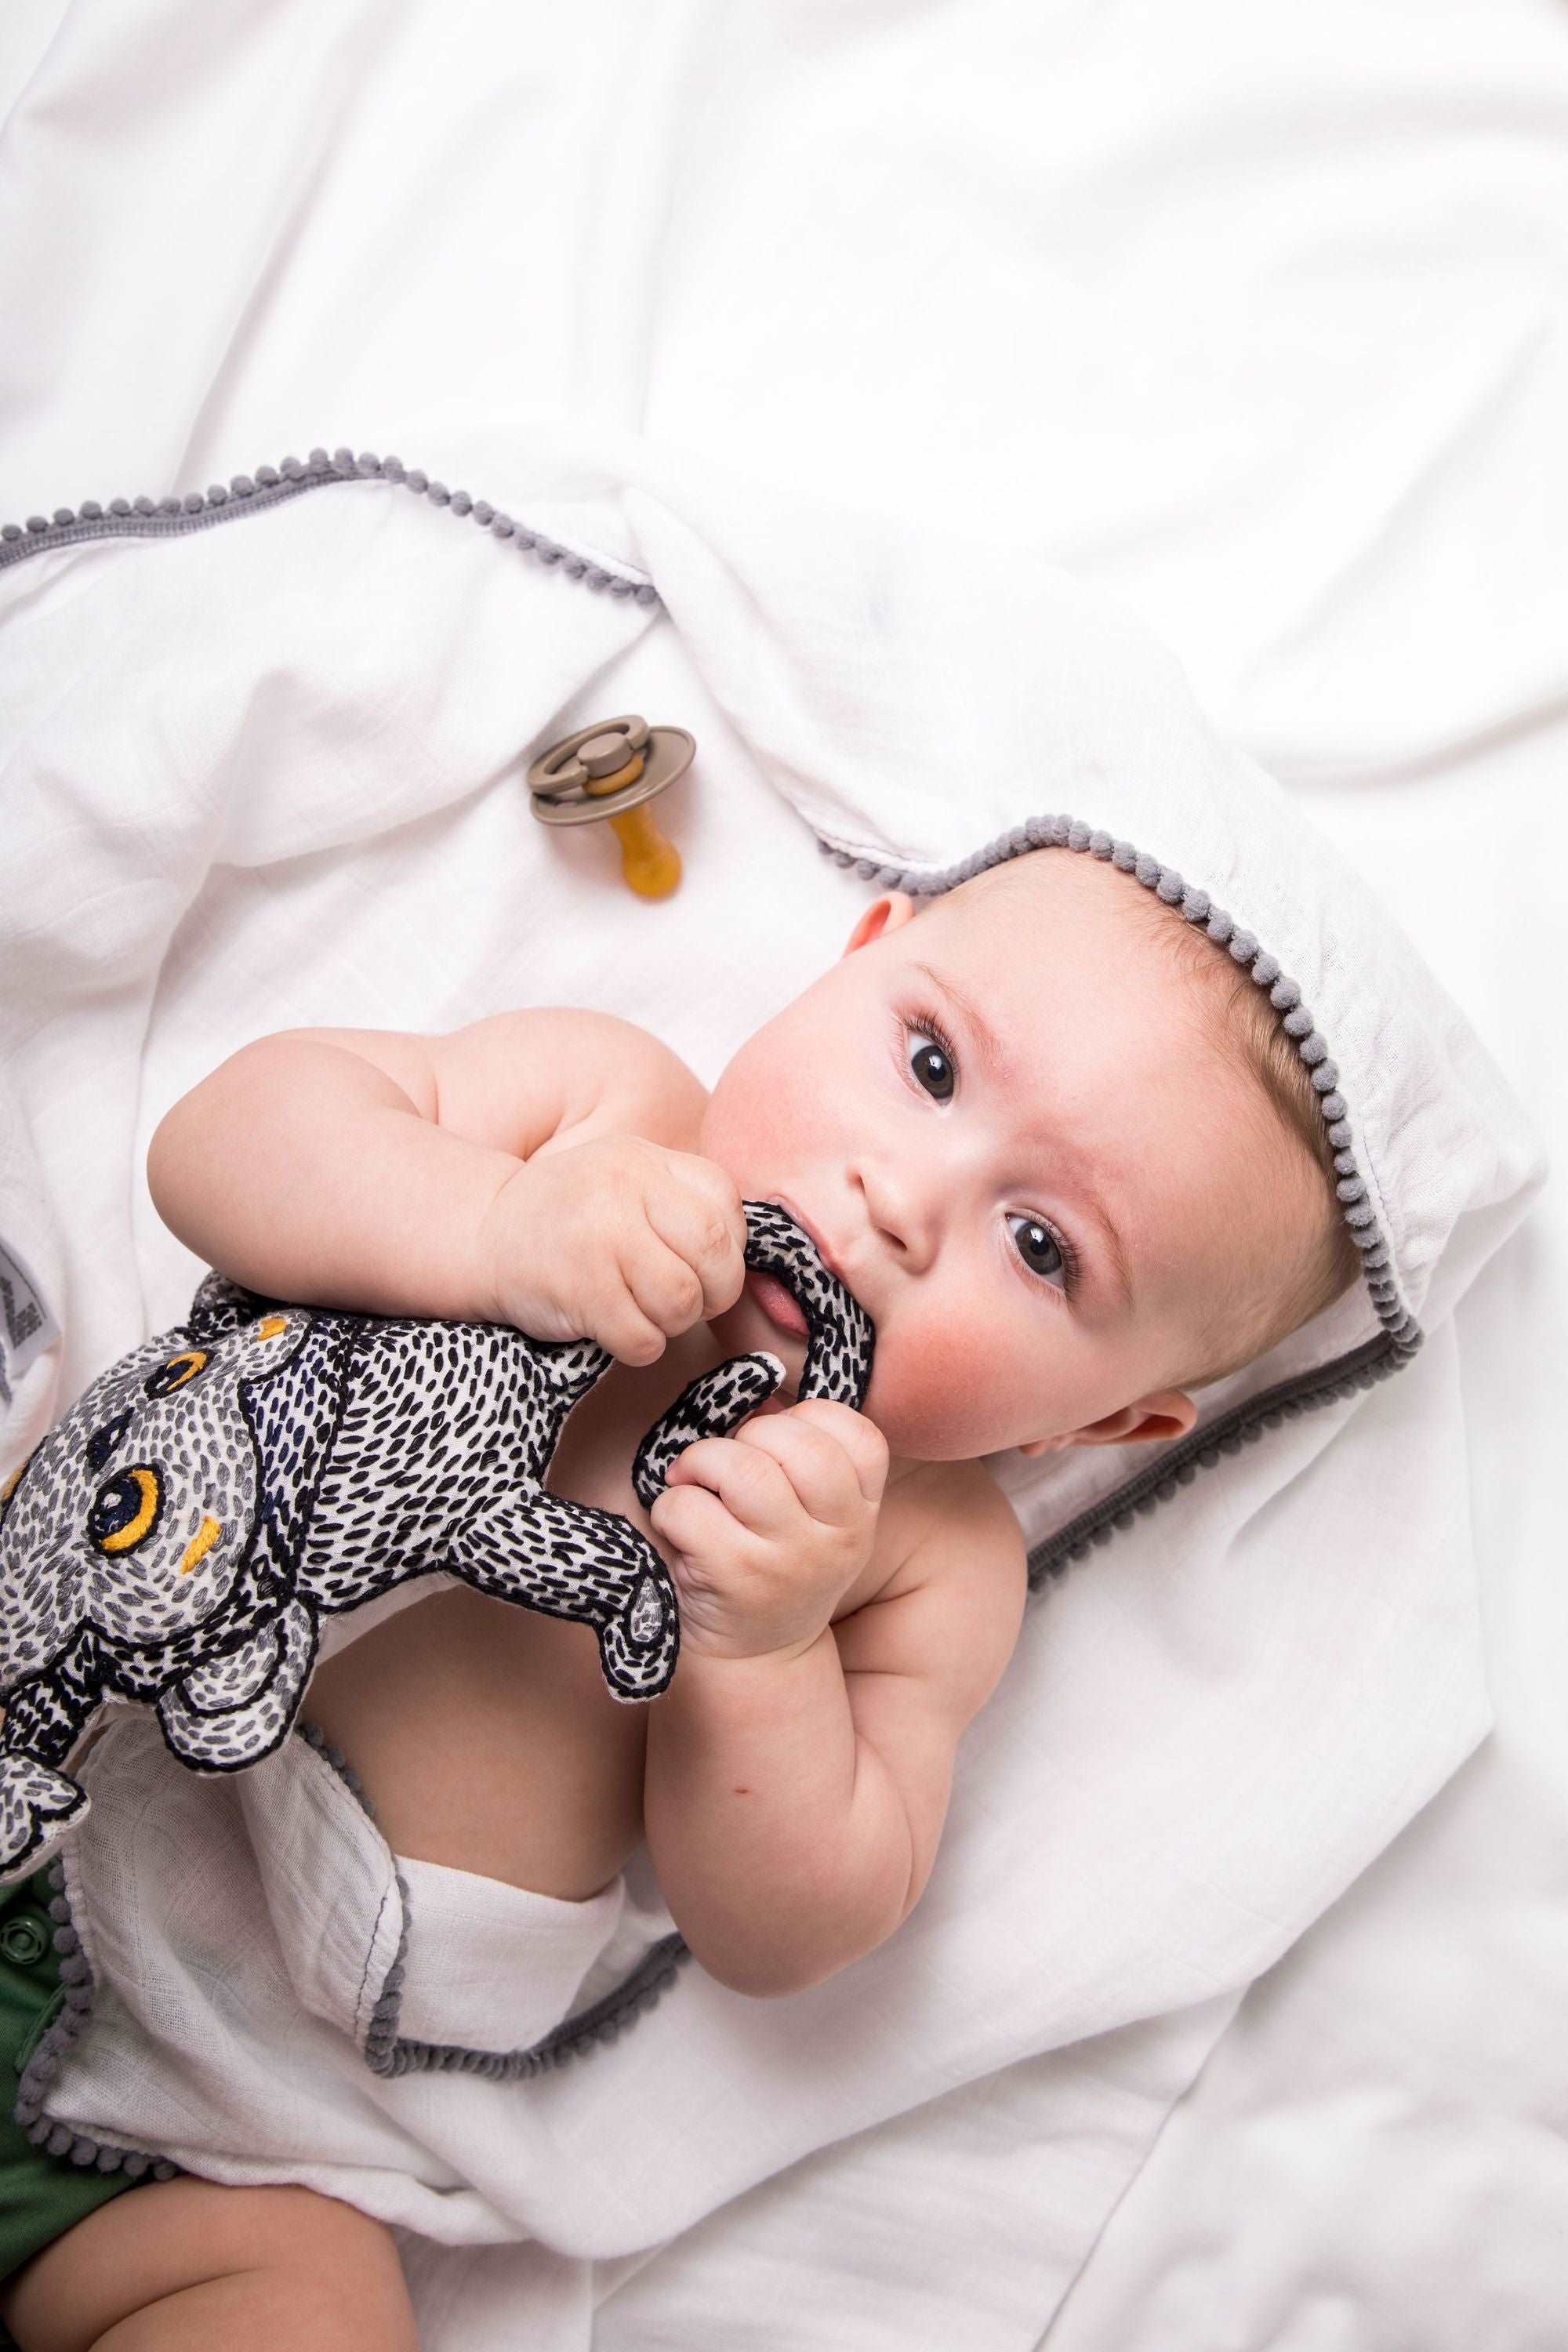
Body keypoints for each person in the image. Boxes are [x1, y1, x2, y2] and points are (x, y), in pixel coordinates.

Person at [0, 846, 1360, 2351]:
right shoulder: (605, 1108)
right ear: (856, 952)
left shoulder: (925, 1557)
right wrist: (488, 1232)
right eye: (927, 1065)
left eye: (1042, 1248)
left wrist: (765, 1646)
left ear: (1098, 1424)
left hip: (215, 2143)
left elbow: (790, 1930)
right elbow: (219, 1144)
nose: (900, 1203)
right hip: (58, 1665)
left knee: (309, 2318)